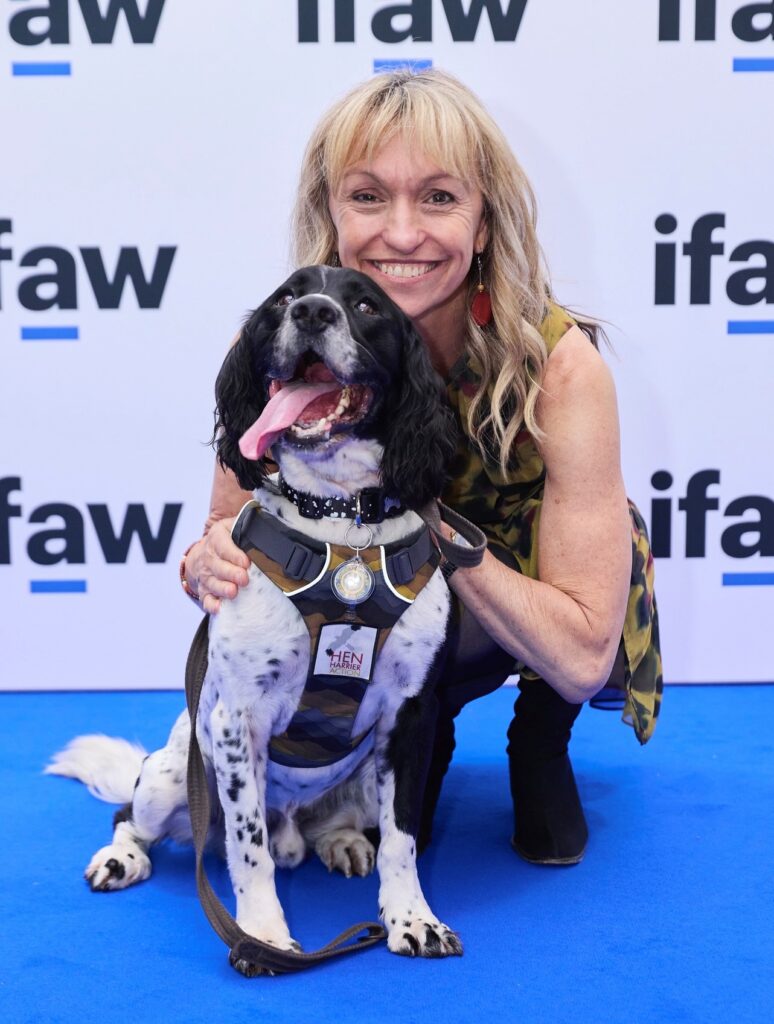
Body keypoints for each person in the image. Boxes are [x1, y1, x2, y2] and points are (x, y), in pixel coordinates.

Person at [180, 69, 662, 866]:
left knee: (611, 546)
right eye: (368, 196)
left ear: (485, 223)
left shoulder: (560, 366)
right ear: (331, 214)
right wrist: (207, 558)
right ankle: (417, 734)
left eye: (439, 198)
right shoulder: (275, 345)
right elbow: (227, 531)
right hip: (367, 614)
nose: (402, 234)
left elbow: (582, 657)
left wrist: (420, 524)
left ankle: (539, 746)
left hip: (491, 596)